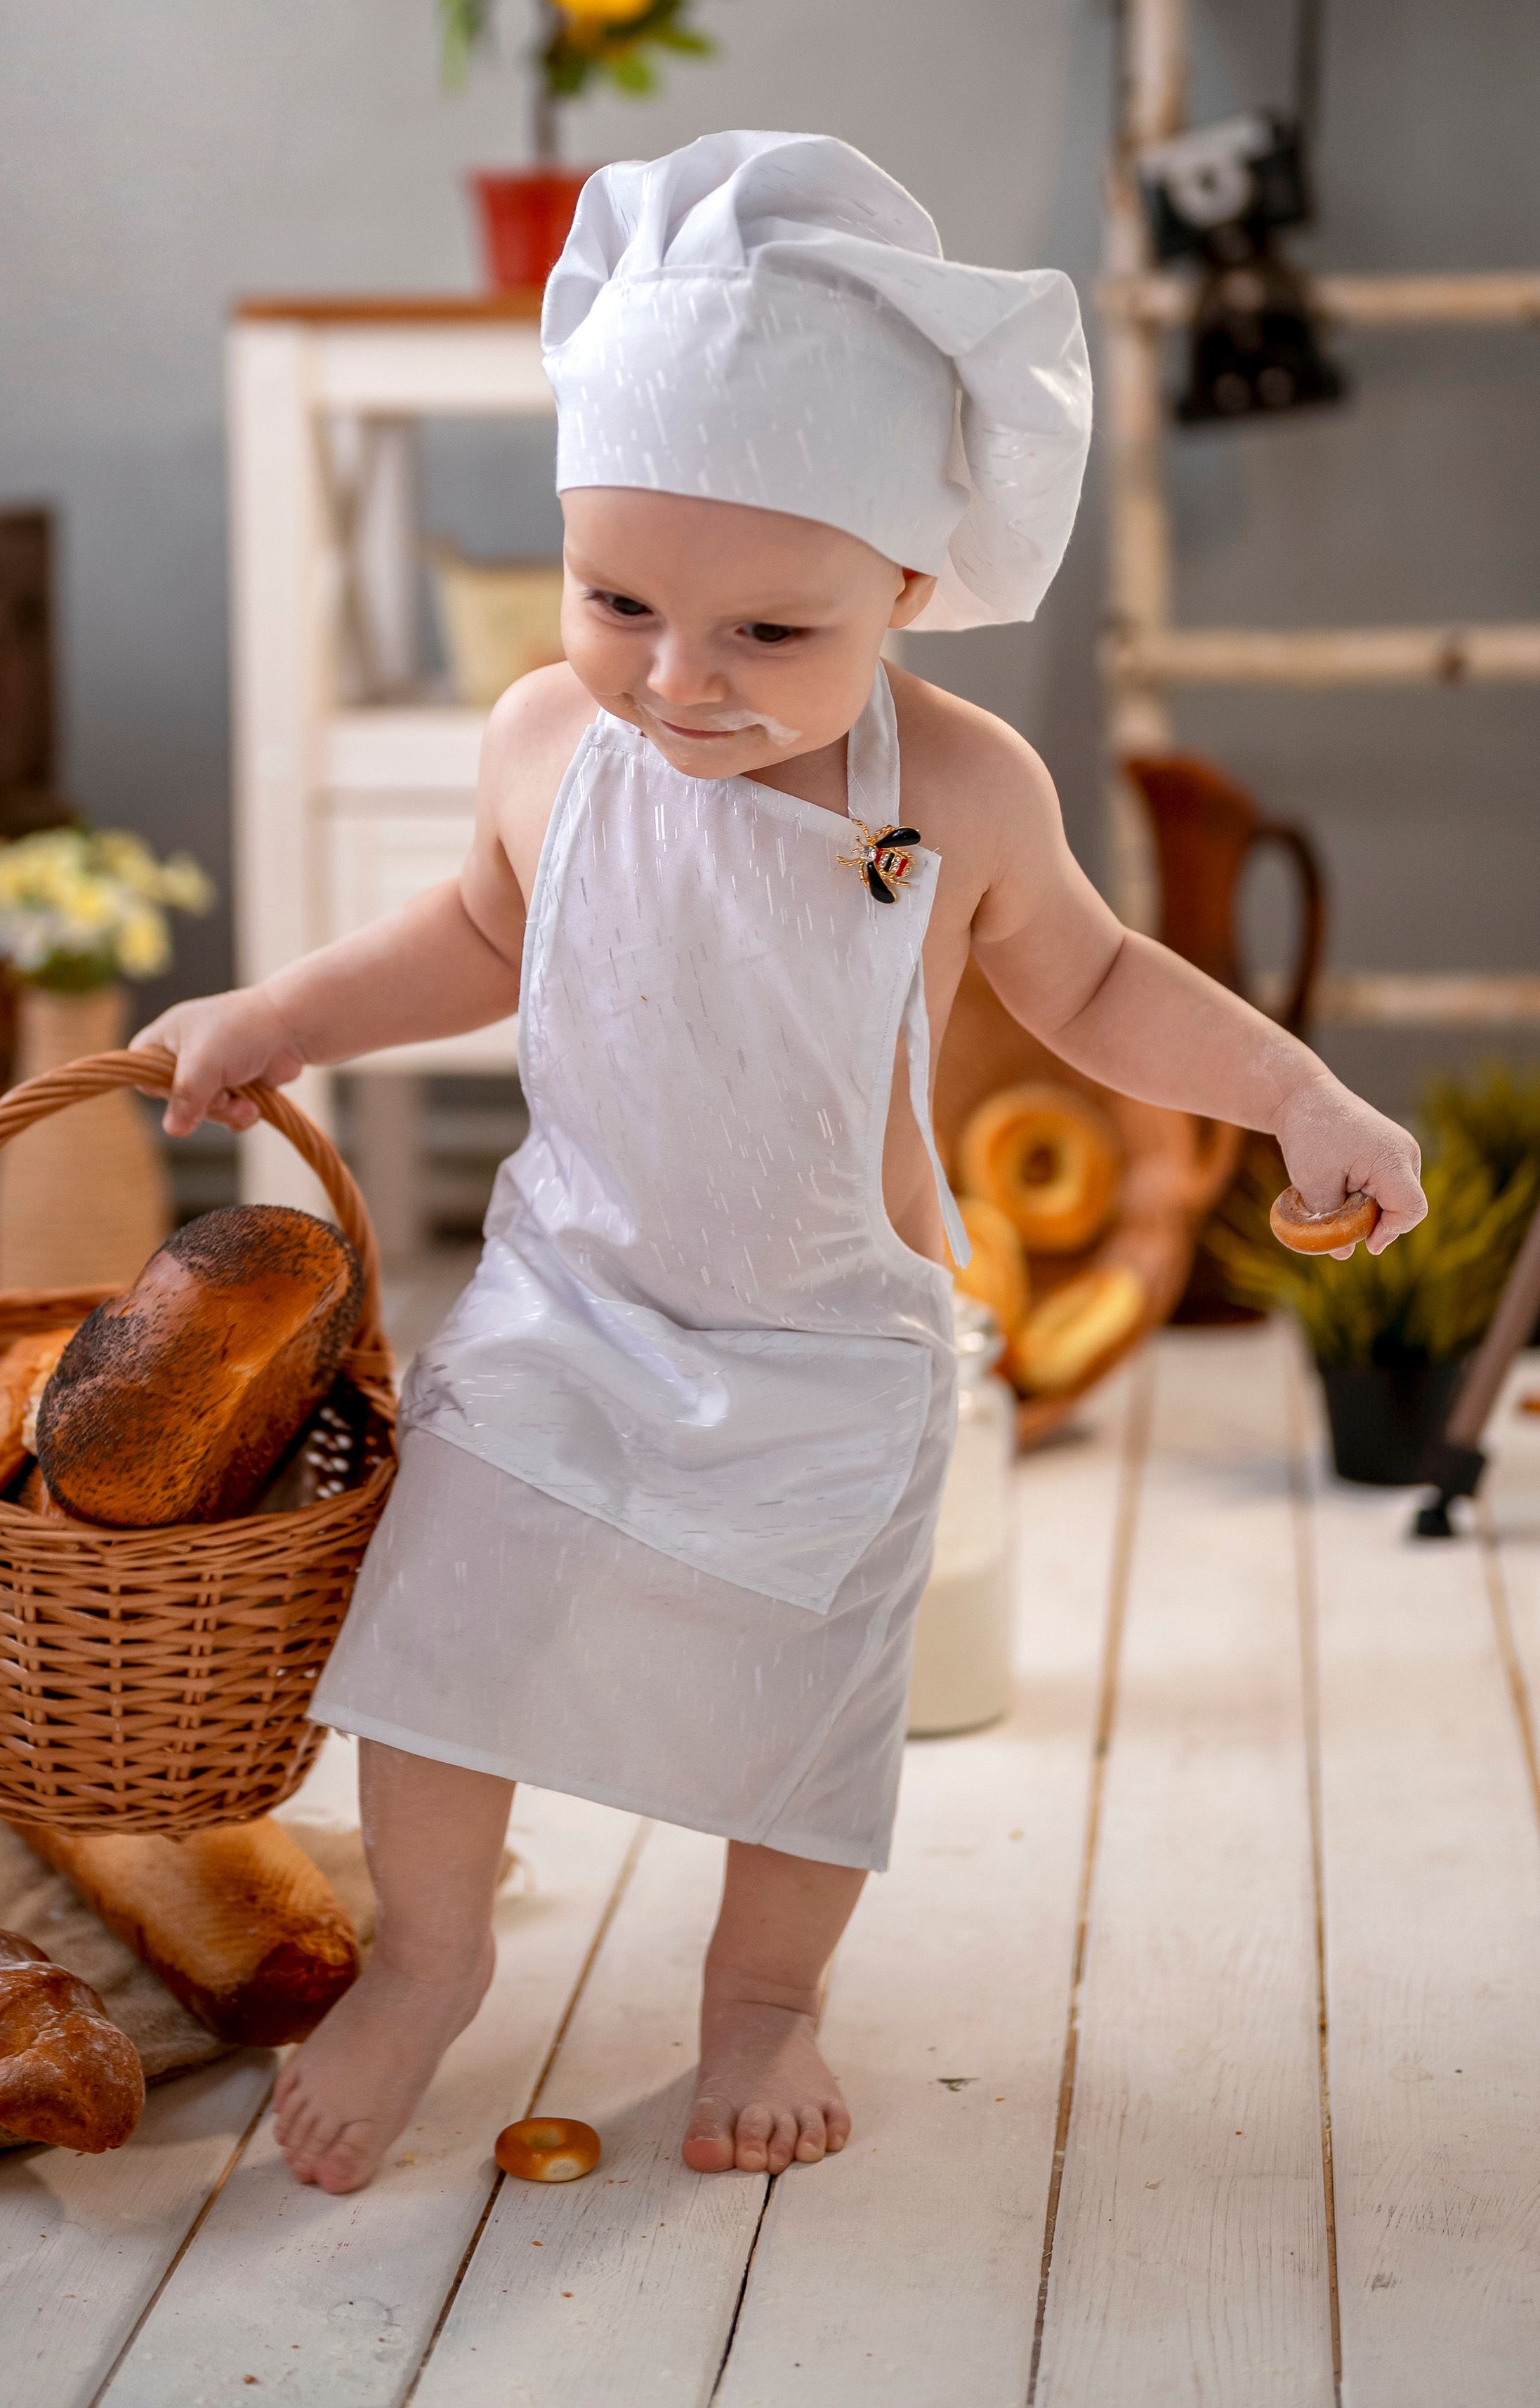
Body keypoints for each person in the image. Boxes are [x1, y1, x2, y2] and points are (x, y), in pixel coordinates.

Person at [136, 133, 1425, 2197]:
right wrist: (274, 1017)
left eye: (767, 633)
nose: (677, 676)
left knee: (807, 1705)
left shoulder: (967, 790)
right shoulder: (550, 746)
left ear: (909, 590)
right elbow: (480, 934)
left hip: (835, 1335)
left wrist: (1299, 1096)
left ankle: (762, 2004)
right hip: (578, 1293)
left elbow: (1096, 985)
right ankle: (432, 1955)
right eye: (617, 599)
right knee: (445, 1624)